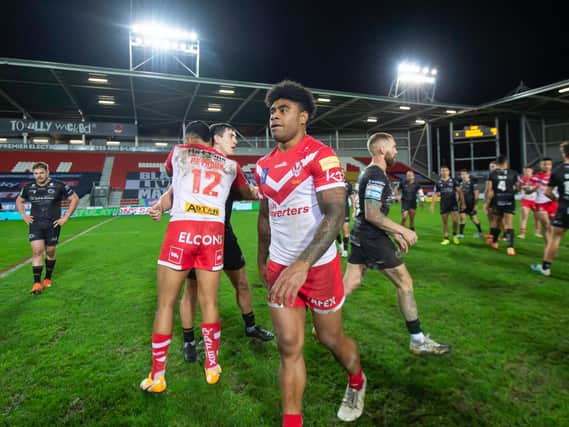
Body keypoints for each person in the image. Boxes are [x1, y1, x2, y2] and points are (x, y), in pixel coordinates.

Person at [256, 80, 365, 426]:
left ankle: (357, 381)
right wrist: (263, 259)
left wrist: (303, 265)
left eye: (283, 110)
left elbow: (336, 215)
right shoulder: (262, 165)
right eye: (272, 111)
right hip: (279, 266)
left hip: (318, 267)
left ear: (303, 117)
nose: (274, 116)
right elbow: (265, 216)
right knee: (289, 346)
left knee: (330, 338)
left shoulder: (322, 155)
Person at [140, 121, 249, 393]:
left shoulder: (178, 152)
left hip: (182, 231)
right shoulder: (231, 166)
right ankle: (212, 366)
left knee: (166, 304)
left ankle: (158, 375)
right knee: (209, 301)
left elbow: (173, 179)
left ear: (188, 136)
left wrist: (160, 205)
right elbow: (248, 192)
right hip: (213, 235)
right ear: (210, 137)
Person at [151, 123, 274, 365]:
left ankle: (250, 326)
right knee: (193, 291)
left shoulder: (230, 168)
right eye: (231, 136)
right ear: (214, 139)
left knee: (242, 283)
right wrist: (160, 204)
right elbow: (173, 191)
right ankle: (189, 342)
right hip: (206, 236)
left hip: (222, 234)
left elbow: (248, 191)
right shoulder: (208, 163)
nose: (235, 141)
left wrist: (263, 190)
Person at [343, 132, 450, 356]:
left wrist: (395, 234)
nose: (396, 151)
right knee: (405, 283)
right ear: (382, 150)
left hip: (363, 234)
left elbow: (372, 213)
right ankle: (417, 340)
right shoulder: (375, 175)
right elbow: (372, 214)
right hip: (371, 237)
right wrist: (402, 230)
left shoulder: (374, 173)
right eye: (393, 147)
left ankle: (321, 322)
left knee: (350, 283)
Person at [15, 162, 79, 294]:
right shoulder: (28, 187)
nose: (39, 176)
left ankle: (48, 277)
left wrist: (66, 216)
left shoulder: (59, 185)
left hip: (53, 224)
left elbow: (74, 199)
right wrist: (23, 215)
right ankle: (37, 283)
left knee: (50, 252)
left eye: (41, 173)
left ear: (47, 172)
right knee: (37, 251)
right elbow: (19, 200)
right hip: (36, 224)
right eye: (36, 173)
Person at [530, 142, 569, 276]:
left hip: (564, 207)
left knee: (555, 237)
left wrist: (558, 200)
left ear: (564, 153)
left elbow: (548, 192)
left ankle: (545, 268)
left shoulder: (557, 170)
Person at [483, 156, 520, 256]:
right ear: (506, 162)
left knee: (496, 222)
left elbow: (490, 191)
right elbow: (518, 187)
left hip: (497, 201)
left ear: (497, 163)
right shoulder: (513, 173)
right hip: (509, 200)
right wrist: (512, 191)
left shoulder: (493, 174)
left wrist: (486, 203)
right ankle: (510, 247)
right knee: (508, 224)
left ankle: (495, 242)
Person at [527, 158, 558, 246]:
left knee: (553, 226)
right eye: (544, 164)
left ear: (551, 165)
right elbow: (527, 191)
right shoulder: (535, 177)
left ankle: (550, 244)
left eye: (548, 164)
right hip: (540, 203)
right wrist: (533, 188)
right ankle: (548, 246)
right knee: (546, 225)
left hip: (553, 203)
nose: (547, 166)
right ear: (540, 165)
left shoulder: (555, 175)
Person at [430, 166, 462, 245]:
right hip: (443, 204)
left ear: (449, 172)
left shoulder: (454, 181)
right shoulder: (438, 182)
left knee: (455, 221)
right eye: (442, 171)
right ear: (440, 172)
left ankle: (455, 236)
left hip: (453, 204)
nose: (444, 172)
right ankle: (446, 238)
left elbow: (459, 191)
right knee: (445, 222)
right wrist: (432, 205)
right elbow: (435, 194)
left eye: (445, 171)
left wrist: (462, 201)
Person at [458, 169, 484, 238]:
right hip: (463, 204)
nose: (463, 176)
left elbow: (476, 194)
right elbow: (459, 194)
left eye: (464, 174)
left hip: (471, 204)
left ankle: (480, 232)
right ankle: (461, 234)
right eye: (462, 174)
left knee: (473, 219)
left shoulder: (473, 183)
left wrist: (475, 205)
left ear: (468, 175)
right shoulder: (460, 184)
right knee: (462, 218)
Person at [518, 165, 540, 238]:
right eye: (526, 171)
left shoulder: (535, 179)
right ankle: (522, 234)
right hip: (525, 200)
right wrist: (520, 187)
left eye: (528, 171)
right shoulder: (522, 180)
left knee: (537, 217)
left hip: (535, 201)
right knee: (524, 216)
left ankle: (537, 232)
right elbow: (519, 188)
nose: (527, 173)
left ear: (532, 171)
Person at [337, 177, 355, 257]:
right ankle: (340, 244)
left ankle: (345, 250)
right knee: (335, 232)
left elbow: (352, 197)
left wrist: (354, 209)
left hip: (345, 210)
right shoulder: (334, 183)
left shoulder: (348, 185)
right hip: (335, 211)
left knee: (345, 230)